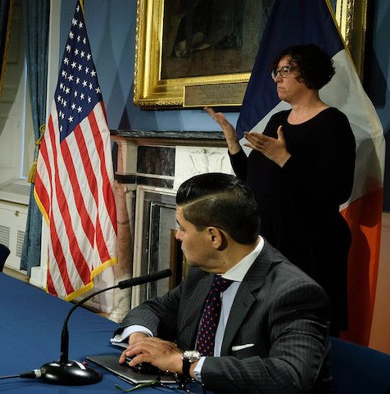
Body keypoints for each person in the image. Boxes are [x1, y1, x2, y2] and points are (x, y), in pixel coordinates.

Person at [113, 173, 332, 393]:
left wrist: (186, 363)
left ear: (214, 237)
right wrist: (141, 341)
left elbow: (290, 375)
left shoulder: (294, 293)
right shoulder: (204, 273)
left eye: (182, 228)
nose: (178, 236)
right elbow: (154, 309)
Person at [204, 44, 355, 335]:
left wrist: (285, 158)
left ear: (308, 74)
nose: (277, 78)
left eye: (286, 70)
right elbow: (252, 179)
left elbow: (337, 190)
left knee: (302, 328)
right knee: (264, 326)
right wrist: (233, 142)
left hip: (310, 245)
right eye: (277, 72)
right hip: (271, 240)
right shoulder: (277, 120)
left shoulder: (333, 123)